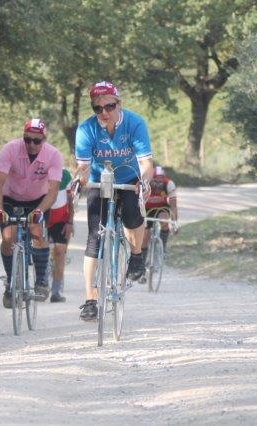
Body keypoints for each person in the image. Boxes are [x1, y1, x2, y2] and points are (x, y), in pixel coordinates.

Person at [74, 81, 153, 321]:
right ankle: (90, 299)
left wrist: (144, 181)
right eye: (98, 108)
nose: (104, 112)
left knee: (132, 214)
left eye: (109, 106)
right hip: (100, 181)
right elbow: (83, 167)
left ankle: (136, 256)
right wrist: (79, 180)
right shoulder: (86, 129)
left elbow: (146, 163)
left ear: (119, 104)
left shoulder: (135, 123)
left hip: (129, 178)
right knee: (94, 237)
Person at [0, 118, 63, 307]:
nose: (31, 144)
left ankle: (41, 281)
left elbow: (53, 191)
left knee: (37, 231)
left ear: (44, 139)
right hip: (10, 197)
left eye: (36, 141)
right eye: (27, 139)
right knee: (8, 237)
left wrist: (40, 210)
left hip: (38, 200)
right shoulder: (10, 149)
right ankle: (11, 282)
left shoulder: (54, 155)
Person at [46, 168, 76, 303]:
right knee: (40, 251)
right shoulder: (38, 171)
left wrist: (70, 222)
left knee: (60, 253)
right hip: (42, 218)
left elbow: (70, 200)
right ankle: (41, 283)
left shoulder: (65, 175)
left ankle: (55, 291)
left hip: (61, 220)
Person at [141, 165, 178, 265]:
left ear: (164, 178)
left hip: (161, 208)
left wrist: (174, 222)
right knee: (144, 237)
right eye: (155, 180)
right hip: (146, 209)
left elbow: (173, 205)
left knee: (164, 221)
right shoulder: (145, 183)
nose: (158, 183)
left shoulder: (169, 184)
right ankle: (142, 264)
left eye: (160, 180)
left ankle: (162, 248)